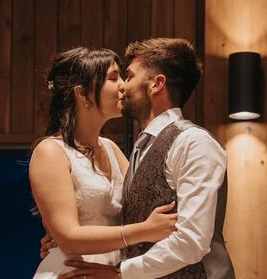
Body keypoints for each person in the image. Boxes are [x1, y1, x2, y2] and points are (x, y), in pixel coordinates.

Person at [54, 38, 235, 278]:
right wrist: (64, 234)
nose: (122, 87)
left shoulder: (193, 142)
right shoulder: (141, 147)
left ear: (156, 84)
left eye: (128, 76)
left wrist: (122, 273)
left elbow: (192, 241)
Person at [30, 47, 178, 278]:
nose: (123, 86)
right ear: (82, 93)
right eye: (112, 78)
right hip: (72, 271)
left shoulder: (110, 149)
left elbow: (140, 207)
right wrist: (146, 231)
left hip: (111, 271)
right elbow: (69, 238)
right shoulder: (51, 151)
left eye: (122, 76)